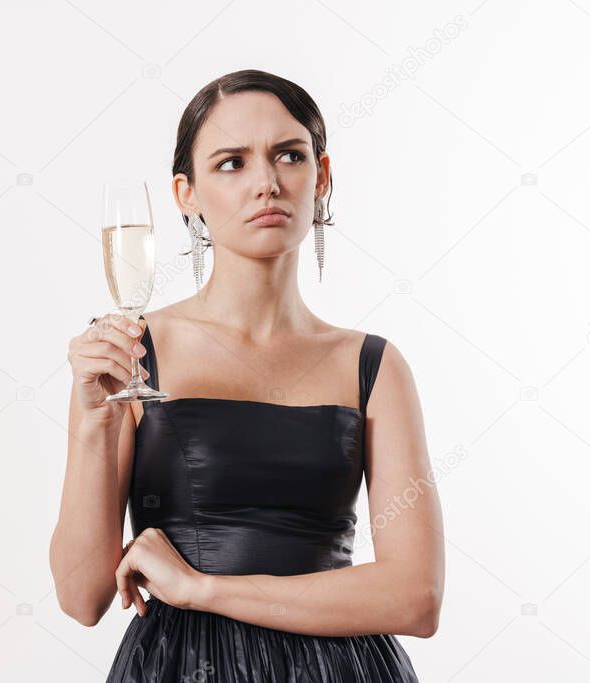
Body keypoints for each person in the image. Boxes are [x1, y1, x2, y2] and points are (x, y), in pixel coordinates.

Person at [49, 69, 444, 682]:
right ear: (186, 193)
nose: (266, 183)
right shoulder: (127, 352)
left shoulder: (374, 365)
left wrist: (201, 588)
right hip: (180, 668)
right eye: (231, 163)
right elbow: (81, 599)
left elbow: (416, 599)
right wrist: (95, 423)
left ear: (323, 176)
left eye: (289, 155)